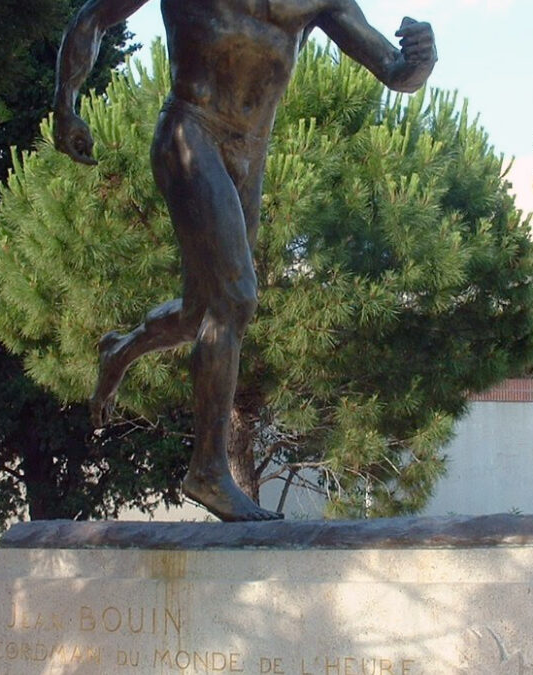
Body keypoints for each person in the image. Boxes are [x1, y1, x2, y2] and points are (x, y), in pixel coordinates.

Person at [53, 0, 437, 522]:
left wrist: (421, 60)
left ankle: (119, 351)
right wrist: (66, 103)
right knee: (235, 301)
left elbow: (394, 71)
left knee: (199, 315)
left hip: (250, 154)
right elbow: (94, 16)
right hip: (191, 133)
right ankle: (208, 470)